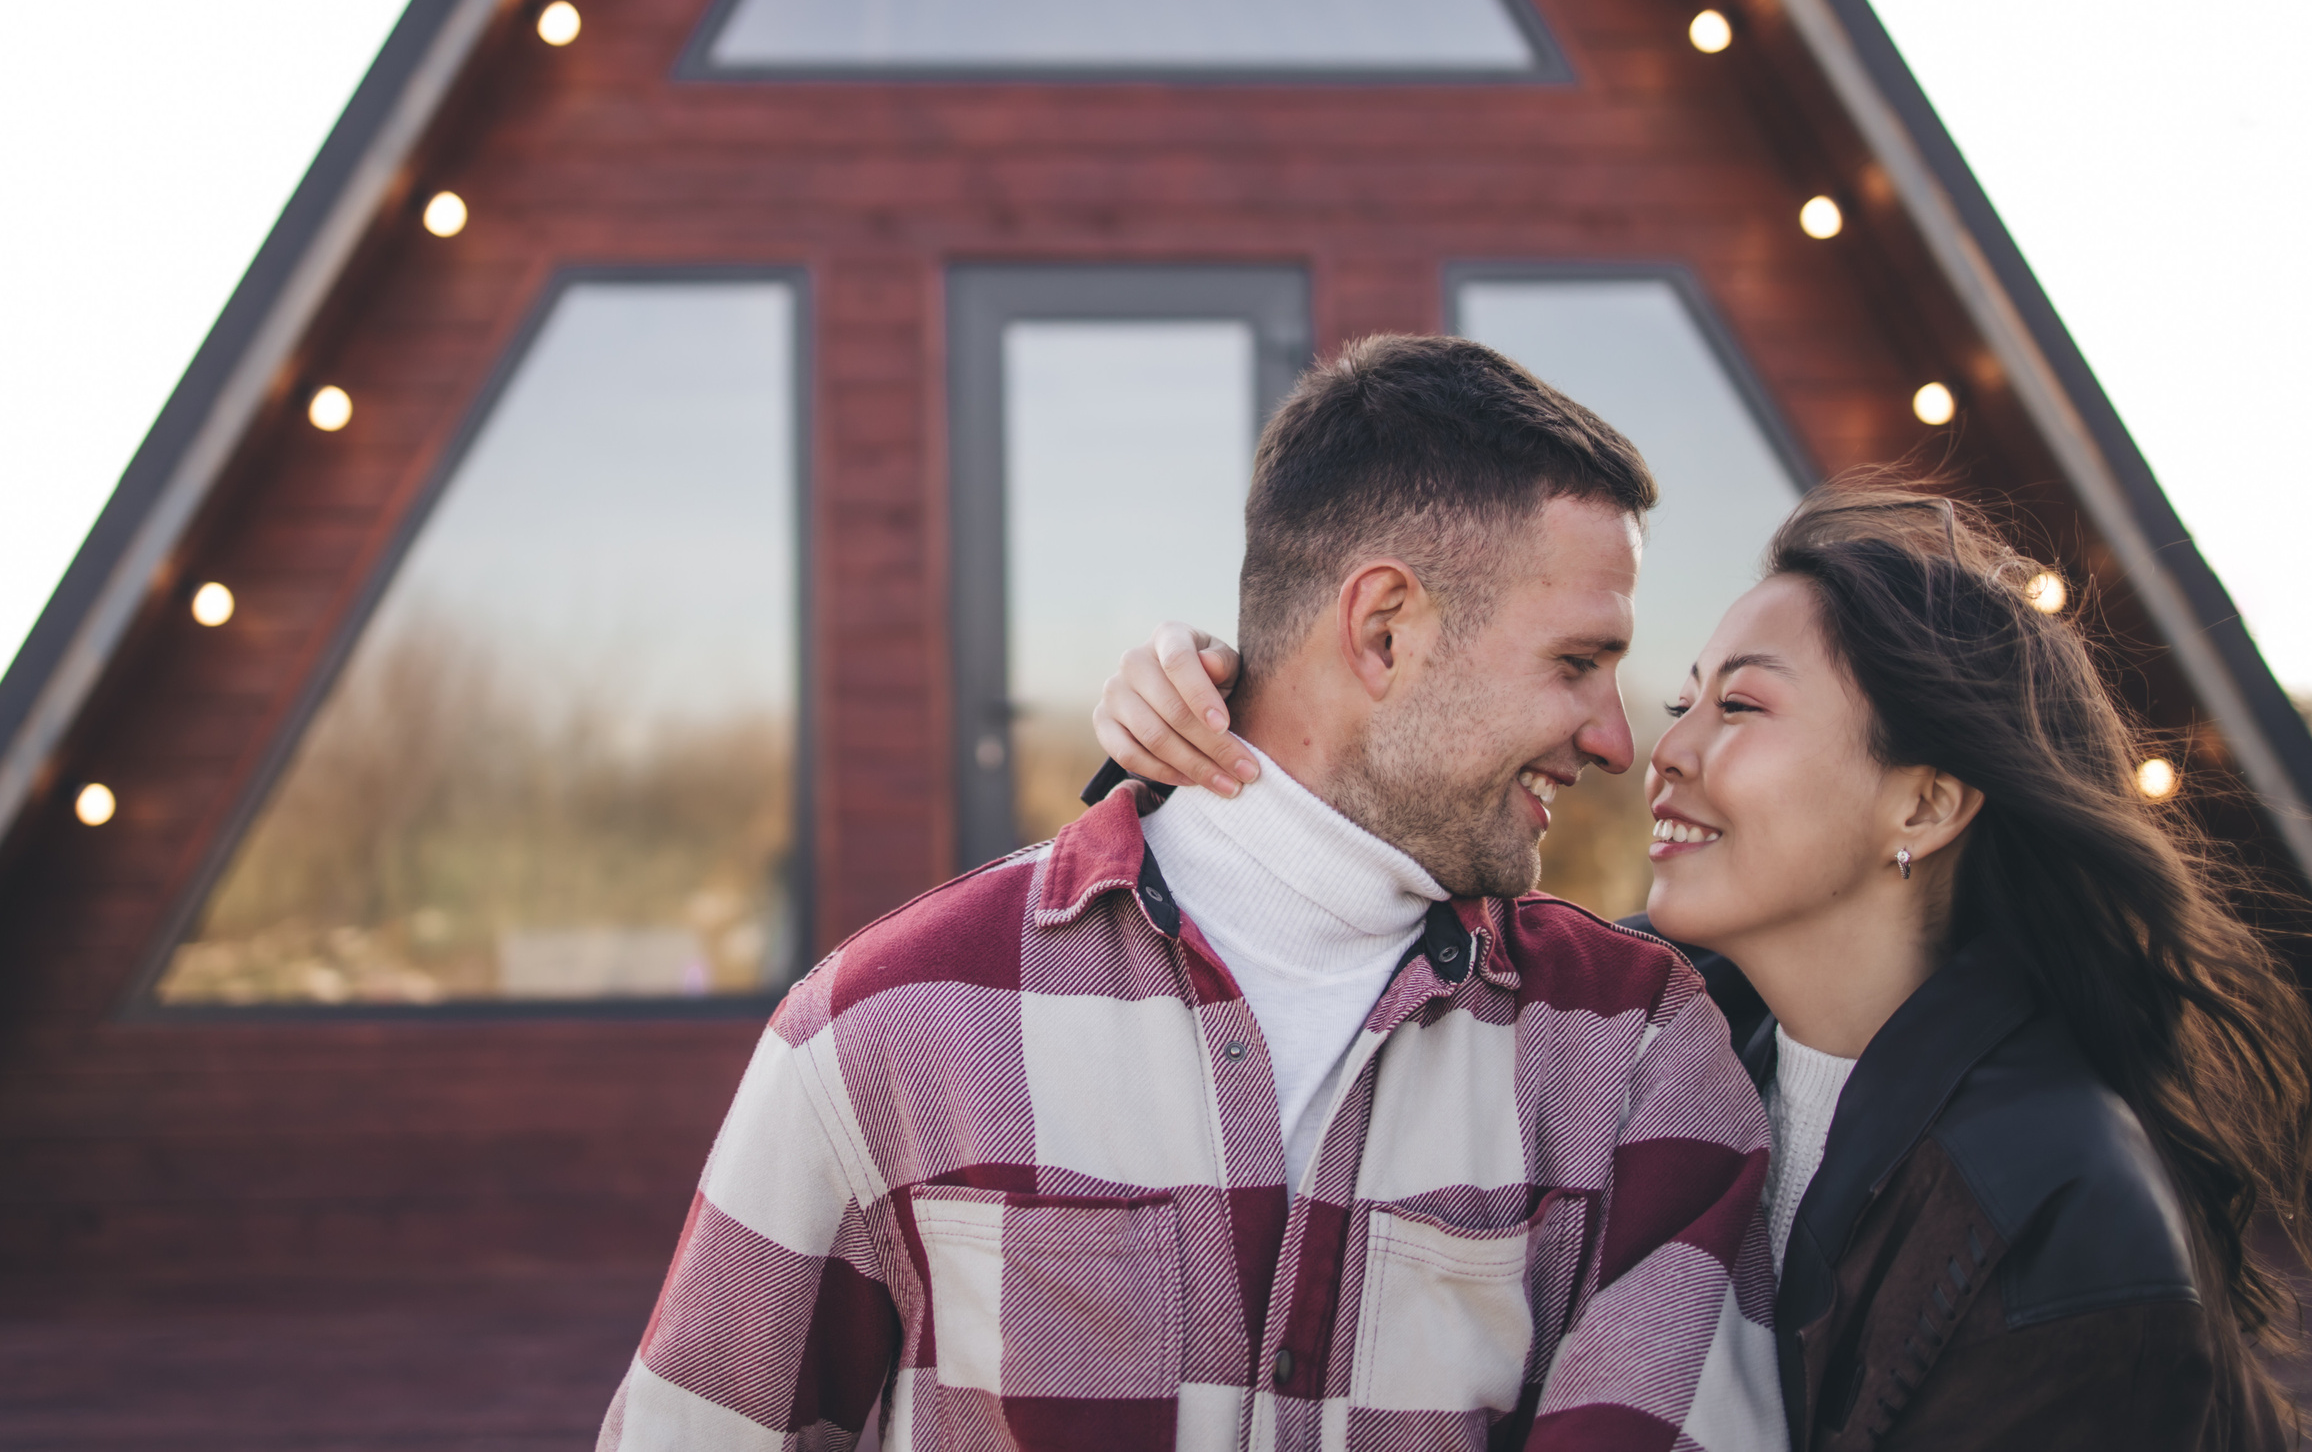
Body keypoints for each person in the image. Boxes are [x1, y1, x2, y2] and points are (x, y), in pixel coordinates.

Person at [602, 336, 1785, 1450]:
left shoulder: (1631, 1056)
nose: (1618, 742)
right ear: (1382, 631)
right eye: (1577, 663)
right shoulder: (883, 1028)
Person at [1094, 478, 2312, 1450]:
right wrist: (1208, 741)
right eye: (1685, 699)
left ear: (1927, 803)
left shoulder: (2057, 1212)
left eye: (1740, 708)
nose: (1657, 753)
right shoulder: (1661, 1060)